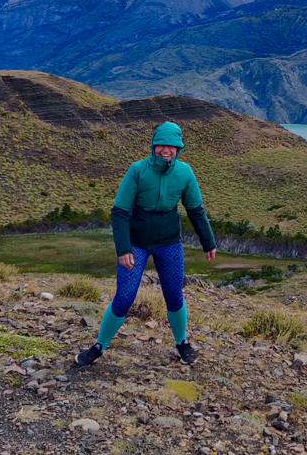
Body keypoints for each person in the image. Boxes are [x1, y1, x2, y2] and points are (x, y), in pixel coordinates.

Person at [75, 121, 216, 367]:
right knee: (124, 297)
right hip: (136, 244)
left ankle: (181, 344)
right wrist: (124, 249)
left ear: (179, 149)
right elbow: (119, 212)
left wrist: (208, 242)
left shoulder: (185, 172)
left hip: (168, 243)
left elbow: (196, 210)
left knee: (174, 295)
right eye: (162, 144)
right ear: (153, 145)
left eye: (172, 146)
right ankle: (98, 346)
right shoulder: (137, 170)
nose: (166, 150)